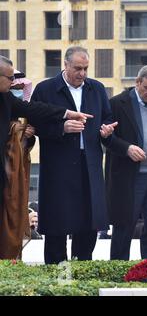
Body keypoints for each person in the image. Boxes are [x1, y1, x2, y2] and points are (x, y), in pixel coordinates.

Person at [31, 46, 117, 264]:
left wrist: (106, 130)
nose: (82, 73)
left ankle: (81, 269)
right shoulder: (45, 89)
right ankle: (57, 277)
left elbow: (107, 117)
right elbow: (35, 126)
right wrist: (61, 128)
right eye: (77, 68)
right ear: (65, 65)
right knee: (57, 222)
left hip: (90, 164)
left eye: (86, 68)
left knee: (88, 221)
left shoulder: (96, 89)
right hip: (58, 166)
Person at [0, 55, 91, 259]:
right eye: (9, 78)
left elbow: (33, 109)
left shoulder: (5, 97)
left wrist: (68, 113)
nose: (13, 82)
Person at [106, 64, 147, 260]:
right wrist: (126, 149)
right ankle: (118, 272)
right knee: (124, 227)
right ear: (137, 83)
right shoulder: (117, 103)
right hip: (128, 179)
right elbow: (105, 138)